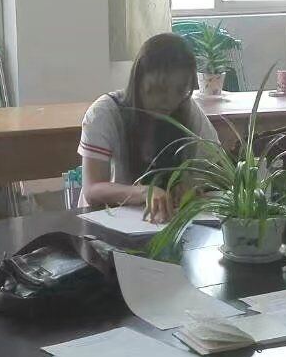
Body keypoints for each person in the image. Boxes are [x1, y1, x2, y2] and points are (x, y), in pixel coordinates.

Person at [79, 33, 219, 222]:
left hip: (166, 223)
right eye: (158, 89)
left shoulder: (187, 109)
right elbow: (92, 189)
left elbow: (218, 171)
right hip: (109, 222)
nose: (169, 100)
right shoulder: (105, 112)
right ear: (138, 81)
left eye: (180, 90)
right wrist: (144, 192)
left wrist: (193, 186)